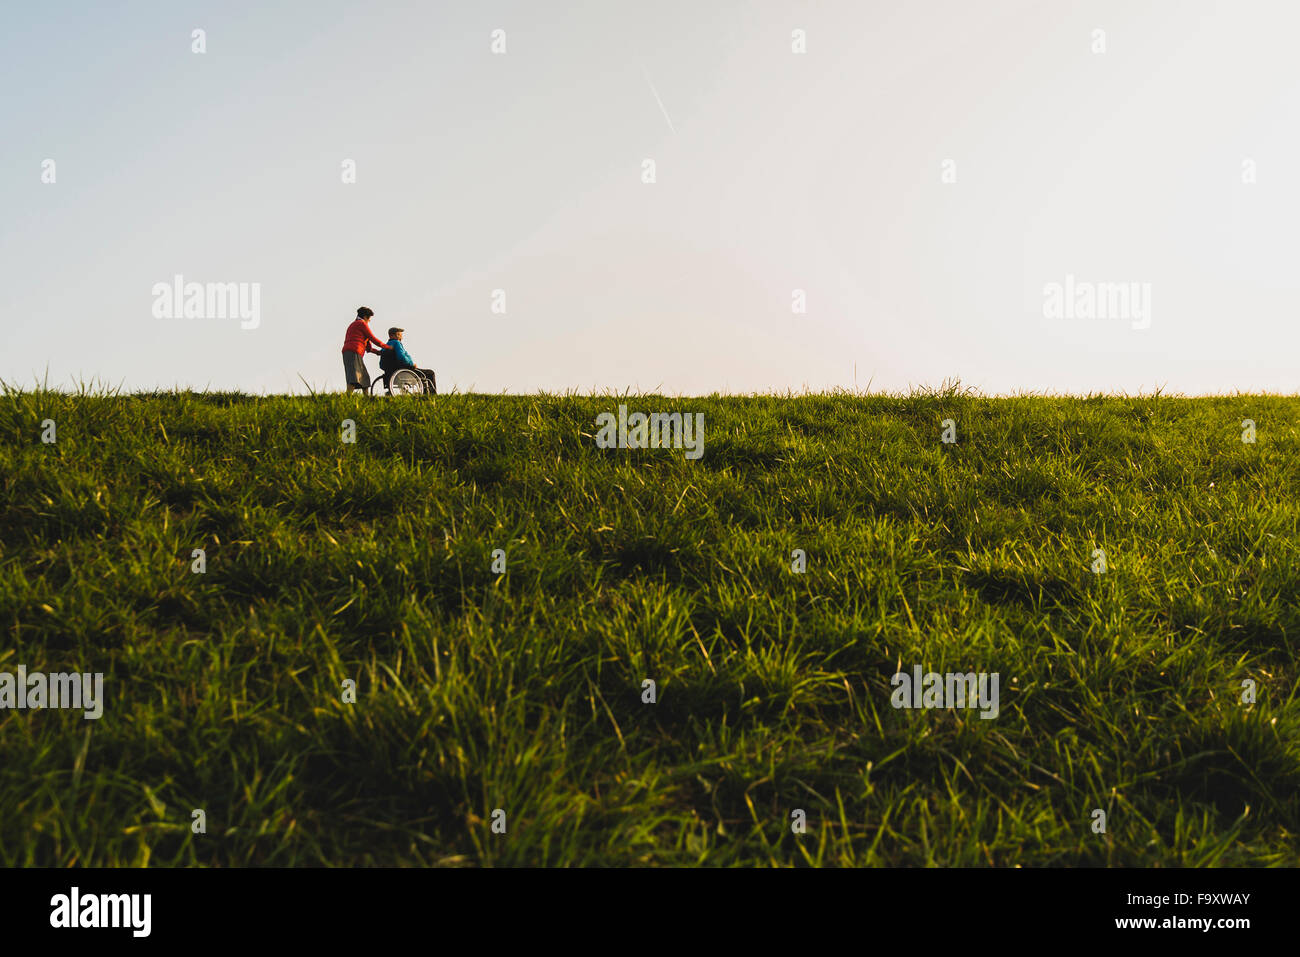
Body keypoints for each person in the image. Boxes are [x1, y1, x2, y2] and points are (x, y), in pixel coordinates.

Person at [342, 307, 391, 393]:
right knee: (354, 378)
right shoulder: (361, 324)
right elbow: (373, 338)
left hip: (350, 352)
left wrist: (378, 352)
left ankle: (366, 399)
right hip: (354, 351)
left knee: (364, 379)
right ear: (365, 317)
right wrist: (387, 347)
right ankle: (347, 398)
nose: (369, 321)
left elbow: (368, 347)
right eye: (369, 318)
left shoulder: (354, 325)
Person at [378, 326, 436, 392]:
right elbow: (402, 358)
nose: (401, 337)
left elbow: (381, 365)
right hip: (403, 372)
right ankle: (432, 395)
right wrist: (412, 365)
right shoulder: (396, 343)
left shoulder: (385, 347)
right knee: (430, 373)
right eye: (400, 335)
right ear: (394, 335)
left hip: (389, 374)